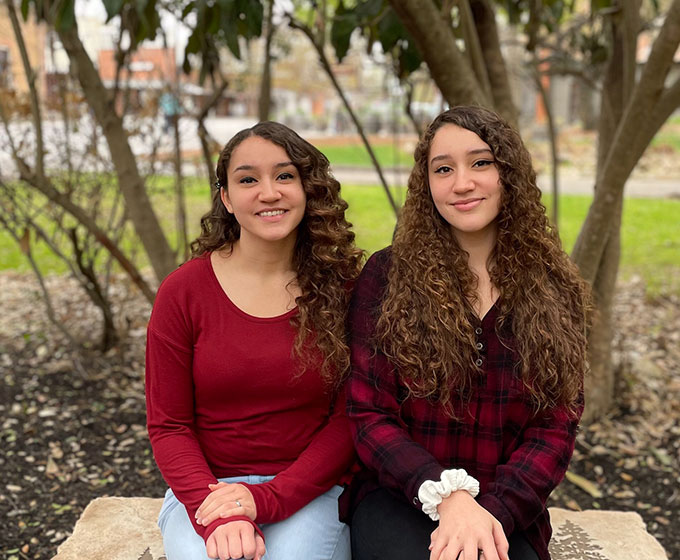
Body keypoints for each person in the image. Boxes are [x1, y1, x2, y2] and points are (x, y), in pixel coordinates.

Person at [346, 106, 592, 560]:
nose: (462, 182)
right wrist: (449, 498)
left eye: (481, 163)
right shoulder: (386, 276)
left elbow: (555, 429)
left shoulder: (551, 285)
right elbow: (368, 415)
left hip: (508, 511)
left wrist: (491, 512)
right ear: (427, 184)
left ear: (509, 173)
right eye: (444, 169)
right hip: (401, 498)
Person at [146, 121, 363, 560]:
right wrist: (222, 513)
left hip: (310, 492)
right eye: (248, 179)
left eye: (284, 176)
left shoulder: (344, 291)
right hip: (205, 493)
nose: (269, 193)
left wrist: (268, 499)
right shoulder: (183, 292)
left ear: (307, 188)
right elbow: (169, 425)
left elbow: (350, 419)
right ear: (226, 197)